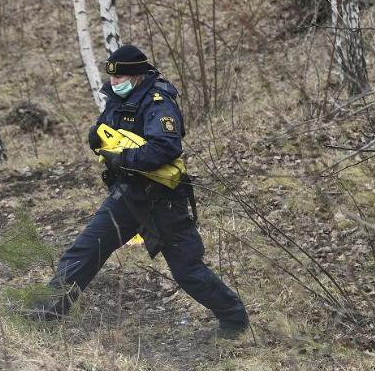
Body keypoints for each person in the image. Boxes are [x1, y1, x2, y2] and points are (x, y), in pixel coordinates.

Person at [27, 44, 250, 339]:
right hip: (126, 195)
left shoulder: (159, 101)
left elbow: (166, 146)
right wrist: (96, 136)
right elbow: (109, 129)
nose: (113, 84)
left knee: (187, 270)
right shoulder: (119, 98)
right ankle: (45, 314)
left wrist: (125, 159)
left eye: (119, 79)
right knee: (84, 250)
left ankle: (234, 319)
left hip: (161, 199)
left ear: (137, 76)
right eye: (112, 78)